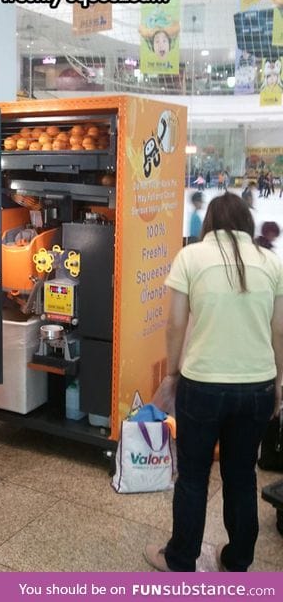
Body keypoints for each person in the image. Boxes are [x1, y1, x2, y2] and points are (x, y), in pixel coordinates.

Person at [144, 192, 283, 572]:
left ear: (209, 224)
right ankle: (238, 560)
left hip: (202, 384)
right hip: (257, 386)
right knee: (241, 475)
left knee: (192, 476)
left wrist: (172, 374)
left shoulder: (191, 256)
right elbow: (280, 332)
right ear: (247, 224)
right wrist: (279, 385)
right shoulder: (271, 263)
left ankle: (181, 558)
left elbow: (174, 324)